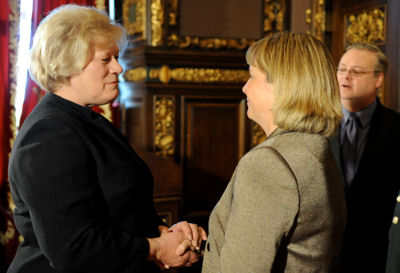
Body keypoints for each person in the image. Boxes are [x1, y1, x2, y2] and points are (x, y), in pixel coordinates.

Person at [7, 5, 206, 273]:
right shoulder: (49, 134)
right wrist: (158, 248)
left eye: (117, 57)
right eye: (106, 59)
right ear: (68, 64)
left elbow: (121, 209)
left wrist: (167, 233)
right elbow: (74, 248)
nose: (119, 67)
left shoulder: (88, 120)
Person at [201, 32, 346, 273]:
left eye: (252, 76)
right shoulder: (316, 147)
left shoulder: (269, 163)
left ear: (283, 84)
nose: (244, 87)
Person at [329, 42, 400, 272]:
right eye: (341, 69)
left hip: (377, 257)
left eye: (357, 71)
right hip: (324, 256)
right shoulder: (317, 125)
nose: (346, 76)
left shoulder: (397, 128)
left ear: (378, 79)